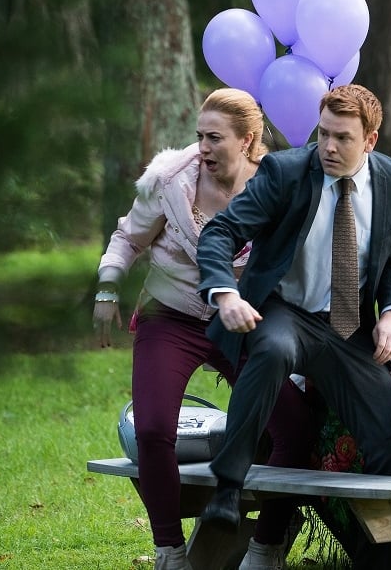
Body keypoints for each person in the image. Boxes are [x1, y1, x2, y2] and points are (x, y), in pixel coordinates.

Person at [195, 84, 391, 570]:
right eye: (323, 133)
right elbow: (221, 231)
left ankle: (379, 562)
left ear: (371, 140)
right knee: (271, 350)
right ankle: (227, 490)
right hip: (285, 311)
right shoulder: (285, 171)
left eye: (343, 138)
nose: (328, 147)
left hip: (349, 329)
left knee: (388, 441)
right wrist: (226, 293)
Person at [92, 88, 269, 570]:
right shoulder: (170, 180)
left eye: (215, 138)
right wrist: (108, 288)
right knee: (152, 429)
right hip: (170, 315)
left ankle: (265, 545)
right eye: (200, 136)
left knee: (287, 422)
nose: (203, 147)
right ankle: (170, 551)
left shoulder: (272, 184)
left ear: (247, 140)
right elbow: (128, 236)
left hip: (240, 321)